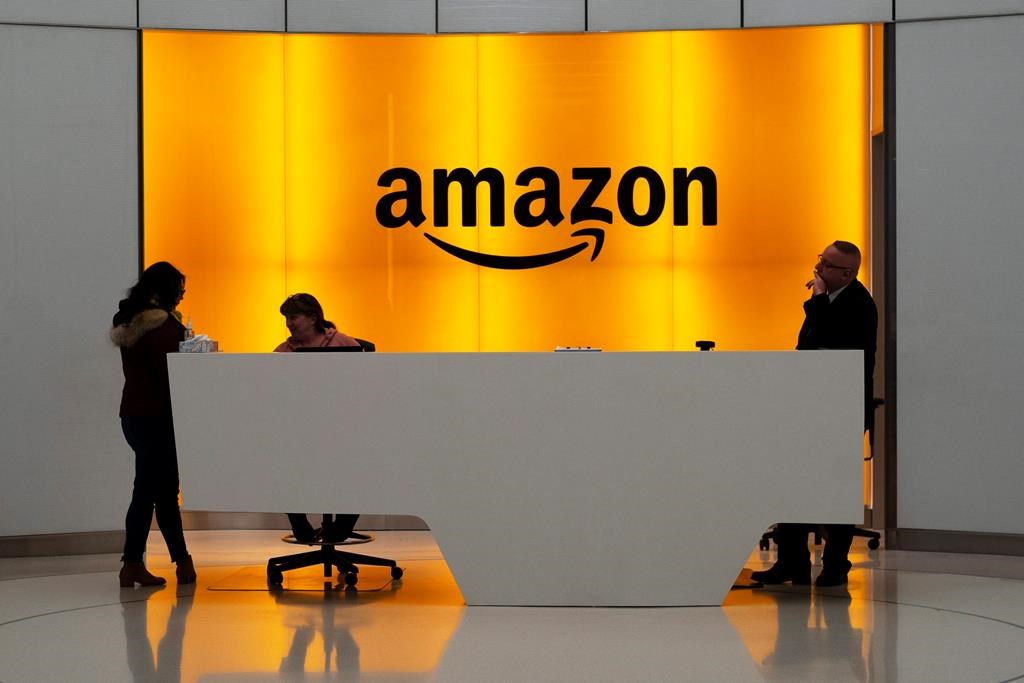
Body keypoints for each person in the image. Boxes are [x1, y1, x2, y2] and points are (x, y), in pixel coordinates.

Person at [753, 240, 878, 588]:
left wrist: (819, 298)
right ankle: (791, 562)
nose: (818, 268)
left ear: (847, 273)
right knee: (791, 482)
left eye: (826, 264)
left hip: (840, 410)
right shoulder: (825, 301)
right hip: (808, 408)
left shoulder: (859, 304)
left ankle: (836, 565)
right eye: (820, 260)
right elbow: (807, 350)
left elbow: (833, 346)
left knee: (834, 488)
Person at [111, 261, 196, 587]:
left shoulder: (131, 322)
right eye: (180, 290)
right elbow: (171, 375)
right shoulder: (163, 328)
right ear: (167, 291)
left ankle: (172, 562)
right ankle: (145, 562)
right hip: (160, 417)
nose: (182, 297)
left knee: (150, 489)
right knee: (156, 491)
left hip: (133, 415)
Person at [274, 293, 365, 543]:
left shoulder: (346, 344)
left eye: (293, 317)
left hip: (343, 428)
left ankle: (342, 527)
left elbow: (365, 388)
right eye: (286, 319)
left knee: (358, 467)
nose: (289, 324)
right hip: (298, 429)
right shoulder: (282, 353)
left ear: (313, 317)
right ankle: (300, 525)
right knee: (281, 463)